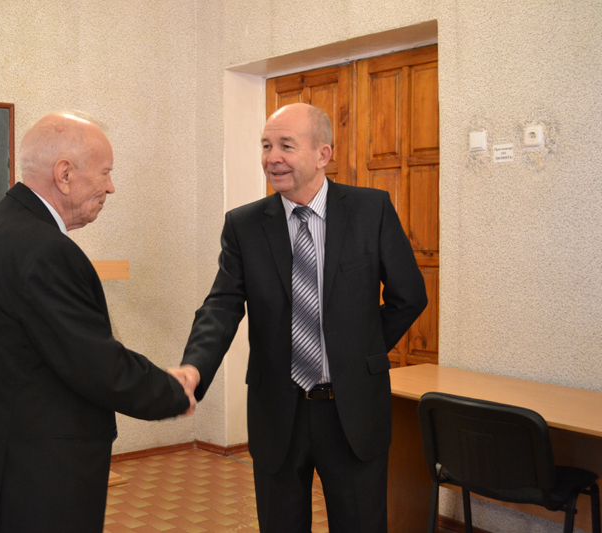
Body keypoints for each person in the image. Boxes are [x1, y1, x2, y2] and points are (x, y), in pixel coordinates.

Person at [172, 103, 428, 532]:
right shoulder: (244, 225)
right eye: (266, 145)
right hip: (278, 412)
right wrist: (194, 367)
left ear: (323, 154)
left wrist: (358, 353)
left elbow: (409, 296)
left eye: (286, 146)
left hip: (353, 409)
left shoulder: (371, 210)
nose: (272, 157)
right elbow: (222, 305)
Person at [0, 112, 194, 533]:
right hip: (35, 480)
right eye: (105, 172)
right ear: (65, 174)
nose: (111, 187)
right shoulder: (45, 250)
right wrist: (172, 391)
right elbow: (96, 364)